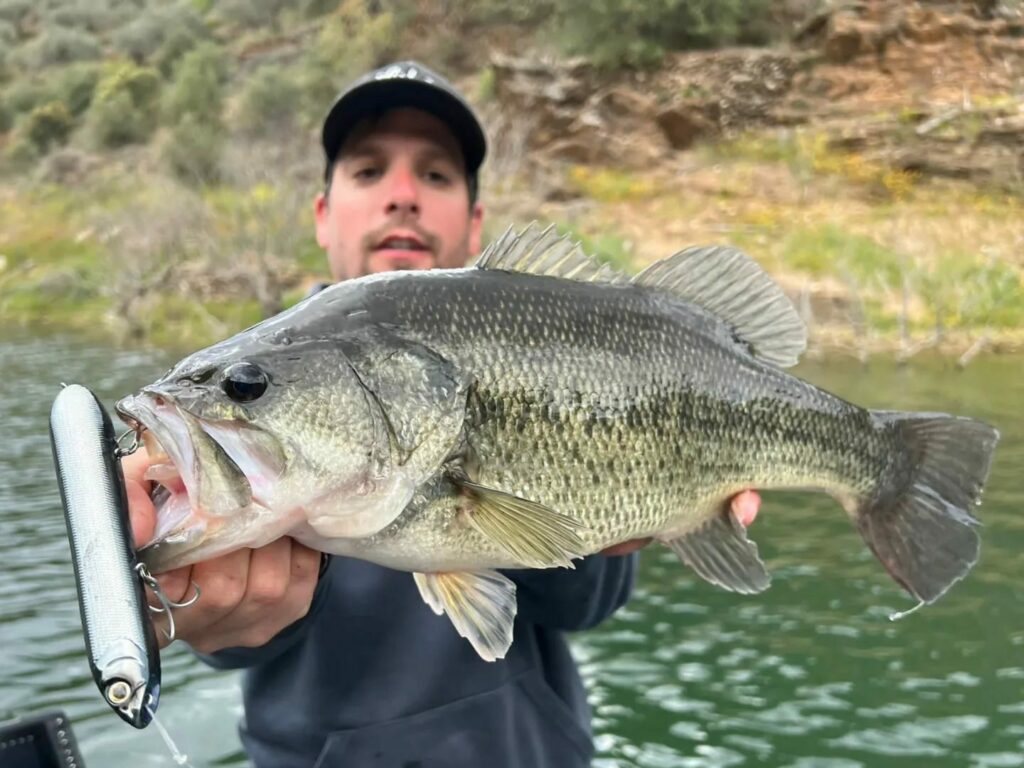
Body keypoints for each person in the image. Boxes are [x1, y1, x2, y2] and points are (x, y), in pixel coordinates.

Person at [123, 60, 761, 767]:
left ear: (475, 221)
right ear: (323, 215)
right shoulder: (277, 369)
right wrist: (200, 604)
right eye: (368, 171)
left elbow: (584, 606)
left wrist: (625, 518)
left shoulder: (546, 335)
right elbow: (231, 642)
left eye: (435, 175)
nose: (402, 197)